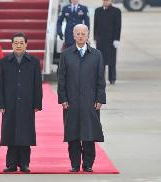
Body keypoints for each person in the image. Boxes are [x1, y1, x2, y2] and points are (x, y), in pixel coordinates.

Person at [57, 24, 106, 173]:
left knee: (89, 134)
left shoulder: (96, 55)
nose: (80, 36)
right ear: (73, 35)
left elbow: (100, 79)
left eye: (83, 34)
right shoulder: (66, 55)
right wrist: (63, 99)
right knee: (73, 134)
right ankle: (75, 164)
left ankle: (88, 164)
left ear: (87, 35)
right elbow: (61, 79)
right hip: (71, 102)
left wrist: (100, 99)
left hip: (90, 102)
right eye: (77, 33)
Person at [0, 32, 43, 173]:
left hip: (27, 103)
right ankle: (11, 164)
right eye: (16, 42)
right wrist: (1, 104)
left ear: (26, 44)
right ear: (11, 44)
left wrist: (37, 103)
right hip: (9, 103)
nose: (18, 45)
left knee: (25, 134)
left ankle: (24, 164)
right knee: (10, 133)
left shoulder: (33, 62)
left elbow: (37, 85)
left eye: (21, 43)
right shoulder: (4, 62)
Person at [94, 0, 121, 85]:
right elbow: (96, 25)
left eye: (107, 0)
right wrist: (95, 37)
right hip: (101, 39)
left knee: (112, 60)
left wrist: (117, 39)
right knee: (101, 60)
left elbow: (118, 25)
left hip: (111, 39)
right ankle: (101, 79)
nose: (106, 2)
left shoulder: (116, 11)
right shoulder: (98, 10)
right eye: (104, 0)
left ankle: (112, 78)